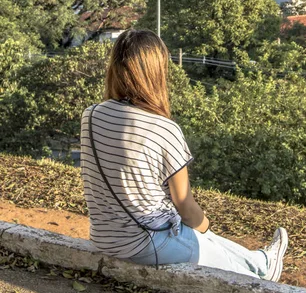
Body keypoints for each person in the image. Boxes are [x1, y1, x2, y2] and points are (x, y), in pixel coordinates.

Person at [80, 29, 288, 280]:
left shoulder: (90, 115)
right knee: (225, 259)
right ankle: (262, 270)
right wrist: (206, 228)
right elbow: (185, 206)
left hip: (103, 235)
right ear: (157, 72)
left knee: (206, 239)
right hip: (144, 241)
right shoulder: (164, 128)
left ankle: (262, 261)